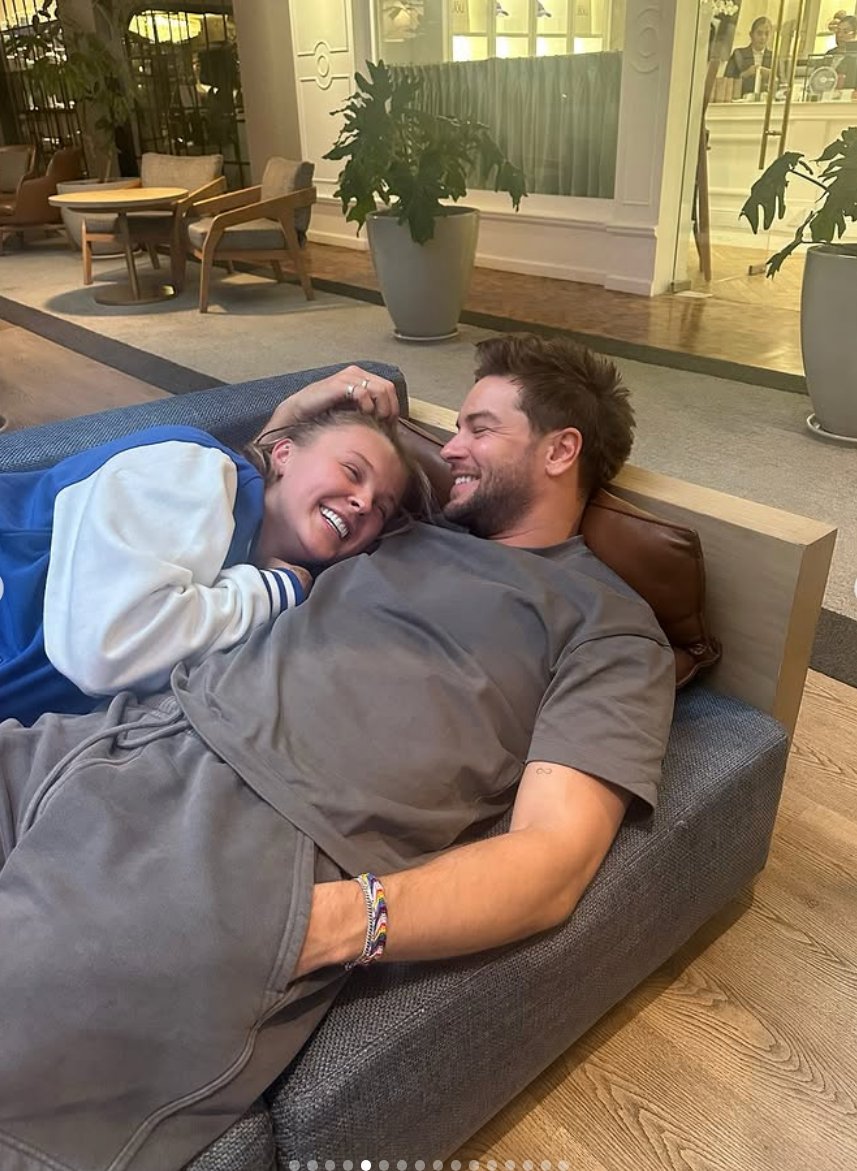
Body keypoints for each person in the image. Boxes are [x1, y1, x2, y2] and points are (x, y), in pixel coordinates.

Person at [0, 335, 676, 1171]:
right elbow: (283, 477)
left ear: (560, 448)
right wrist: (299, 410)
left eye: (478, 427)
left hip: (240, 843)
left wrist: (322, 925)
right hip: (119, 733)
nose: (449, 447)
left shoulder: (605, 626)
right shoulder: (395, 530)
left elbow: (552, 861)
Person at [0, 390, 416, 727]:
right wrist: (274, 589)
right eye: (351, 471)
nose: (363, 502)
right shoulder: (196, 468)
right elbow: (104, 650)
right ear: (284, 454)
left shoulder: (256, 562)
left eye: (381, 507)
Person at [725, 16, 774, 95]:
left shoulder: (774, 57)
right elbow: (726, 82)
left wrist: (772, 76)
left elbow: (783, 86)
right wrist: (744, 74)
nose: (763, 37)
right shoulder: (738, 55)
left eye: (767, 34)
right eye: (759, 33)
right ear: (751, 34)